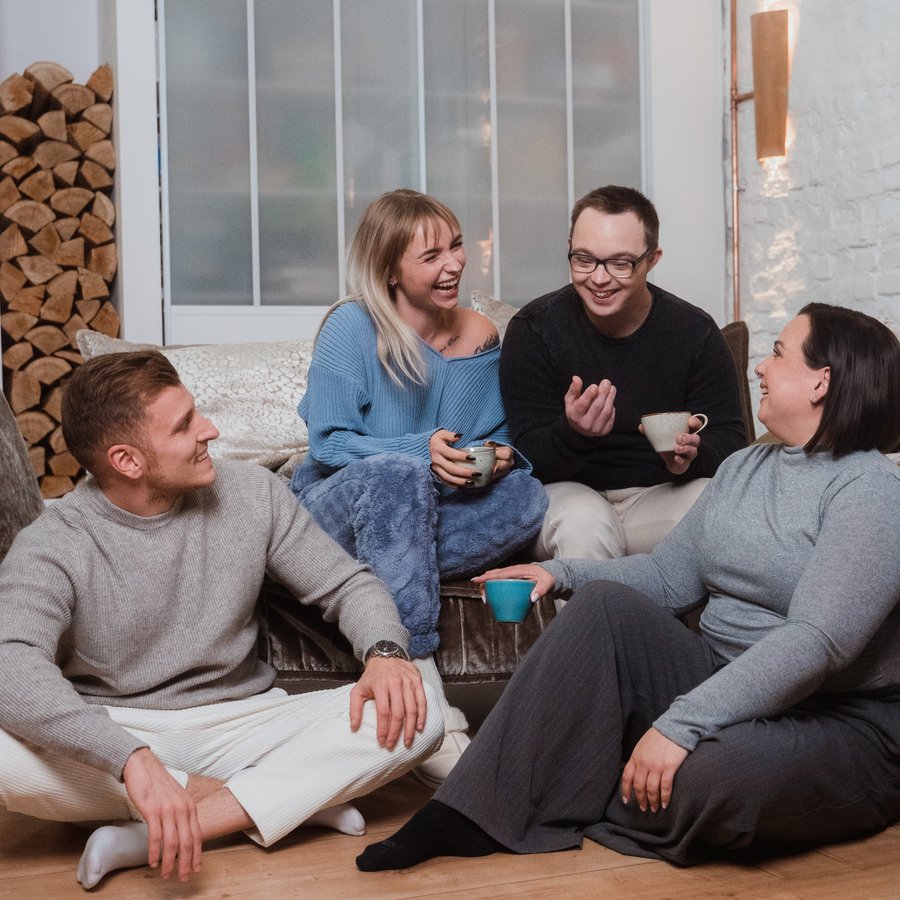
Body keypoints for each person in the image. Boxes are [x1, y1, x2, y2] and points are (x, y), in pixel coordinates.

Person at [356, 302, 900, 871]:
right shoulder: (746, 467)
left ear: (822, 382)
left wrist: (680, 725)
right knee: (603, 607)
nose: (762, 367)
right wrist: (558, 573)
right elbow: (668, 577)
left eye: (780, 353)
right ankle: (467, 811)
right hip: (721, 680)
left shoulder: (871, 491)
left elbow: (816, 642)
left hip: (836, 718)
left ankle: (581, 782)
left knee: (706, 782)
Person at [0, 350, 445, 890]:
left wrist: (385, 654)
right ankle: (279, 799)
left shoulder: (252, 493)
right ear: (128, 461)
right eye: (185, 425)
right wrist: (130, 759)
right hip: (117, 727)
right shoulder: (53, 543)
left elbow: (347, 584)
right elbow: (11, 663)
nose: (209, 430)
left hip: (245, 722)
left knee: (421, 712)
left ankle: (154, 833)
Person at [289, 189, 548, 786]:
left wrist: (507, 454)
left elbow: (499, 432)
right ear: (390, 271)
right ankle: (422, 686)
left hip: (426, 511)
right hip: (335, 508)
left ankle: (388, 570)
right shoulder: (350, 327)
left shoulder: (482, 335)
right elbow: (328, 443)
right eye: (430, 256)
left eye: (455, 246)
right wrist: (417, 452)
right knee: (399, 474)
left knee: (530, 497)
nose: (453, 264)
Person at [500, 185, 748, 563]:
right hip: (567, 495)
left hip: (657, 495)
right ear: (570, 247)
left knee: (719, 507)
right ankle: (595, 625)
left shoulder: (693, 331)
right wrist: (574, 434)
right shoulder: (535, 329)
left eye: (620, 263)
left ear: (652, 259)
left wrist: (691, 456)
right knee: (586, 526)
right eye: (584, 259)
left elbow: (732, 442)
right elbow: (525, 457)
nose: (599, 279)